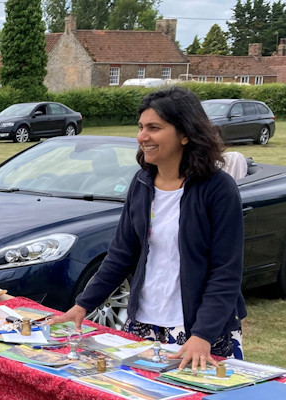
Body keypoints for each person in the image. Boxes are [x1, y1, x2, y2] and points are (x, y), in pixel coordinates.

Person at [50, 86, 246, 372]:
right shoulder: (141, 183)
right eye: (141, 127)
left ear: (185, 134)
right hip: (143, 324)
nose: (142, 137)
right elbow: (120, 255)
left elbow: (226, 271)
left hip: (199, 330)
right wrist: (82, 306)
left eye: (154, 128)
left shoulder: (218, 189)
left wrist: (202, 334)